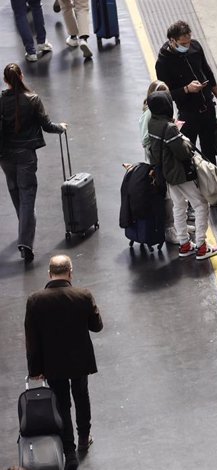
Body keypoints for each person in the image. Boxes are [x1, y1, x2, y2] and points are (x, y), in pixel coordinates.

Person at [25, 255, 103, 470]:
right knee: (81, 396)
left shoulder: (35, 300)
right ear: (70, 272)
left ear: (49, 274)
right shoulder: (83, 295)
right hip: (80, 360)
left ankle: (69, 452)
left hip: (53, 363)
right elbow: (97, 326)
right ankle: (84, 437)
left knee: (61, 404)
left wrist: (35, 370)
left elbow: (32, 340)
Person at [155, 20, 217, 210]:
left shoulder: (195, 48)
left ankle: (216, 195)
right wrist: (186, 89)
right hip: (188, 113)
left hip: (207, 108)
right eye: (183, 43)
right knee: (189, 155)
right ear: (172, 41)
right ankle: (193, 199)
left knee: (210, 152)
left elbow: (208, 72)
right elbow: (166, 93)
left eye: (189, 41)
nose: (187, 46)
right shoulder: (163, 62)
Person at [0, 63, 67, 263]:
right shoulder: (33, 99)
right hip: (26, 156)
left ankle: (24, 229)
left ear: (5, 80)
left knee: (15, 192)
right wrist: (61, 127)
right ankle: (26, 243)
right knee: (27, 196)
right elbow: (46, 126)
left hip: (5, 156)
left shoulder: (1, 101)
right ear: (21, 76)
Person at [147, 90, 217, 260]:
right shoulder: (169, 127)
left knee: (179, 207)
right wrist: (183, 139)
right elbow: (184, 153)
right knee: (201, 205)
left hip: (166, 174)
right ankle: (202, 246)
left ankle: (184, 244)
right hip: (180, 174)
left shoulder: (152, 123)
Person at [138, 80, 194, 244]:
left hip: (166, 157)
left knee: (175, 195)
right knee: (168, 197)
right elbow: (145, 139)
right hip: (160, 160)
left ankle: (179, 225)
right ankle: (170, 229)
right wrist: (165, 134)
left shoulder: (160, 110)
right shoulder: (151, 114)